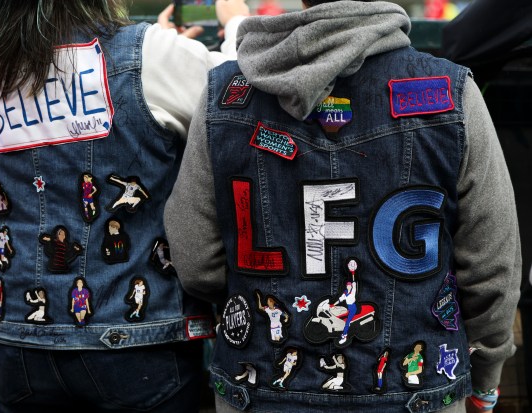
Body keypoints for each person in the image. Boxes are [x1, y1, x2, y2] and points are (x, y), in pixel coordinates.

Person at [164, 0, 521, 411]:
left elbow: (195, 261)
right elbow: (493, 268)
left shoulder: (222, 95)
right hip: (418, 392)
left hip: (259, 386)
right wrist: (488, 376)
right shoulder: (452, 93)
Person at [0, 0, 249, 412]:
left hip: (14, 339)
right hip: (136, 344)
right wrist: (234, 20)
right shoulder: (152, 54)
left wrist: (156, 51)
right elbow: (238, 88)